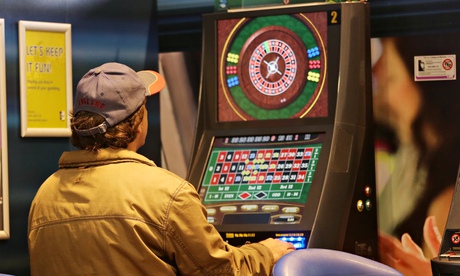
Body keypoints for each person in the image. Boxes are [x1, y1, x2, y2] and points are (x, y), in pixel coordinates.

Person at [28, 62, 295, 275]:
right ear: (137, 120)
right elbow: (218, 271)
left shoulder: (45, 195)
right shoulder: (167, 194)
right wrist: (267, 254)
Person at [373, 35, 460, 275]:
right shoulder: (416, 158)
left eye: (391, 79)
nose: (386, 100)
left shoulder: (448, 203)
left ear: (429, 86)